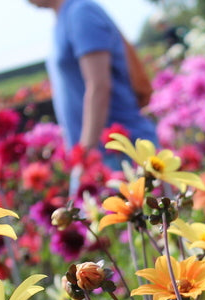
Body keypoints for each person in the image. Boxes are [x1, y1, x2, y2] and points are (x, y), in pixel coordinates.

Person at [28, 0, 156, 175]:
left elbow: (99, 86)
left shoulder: (81, 13)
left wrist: (85, 154)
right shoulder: (64, 17)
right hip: (103, 153)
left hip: (122, 151)